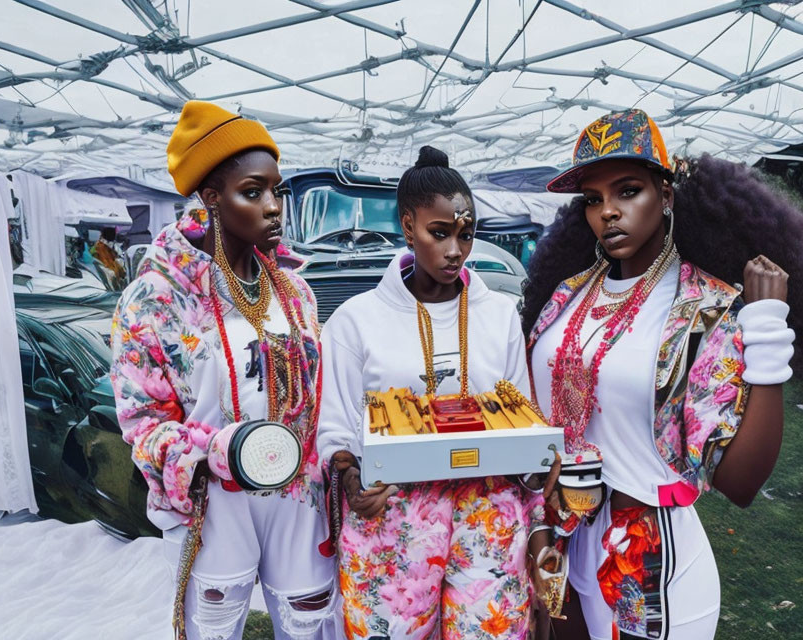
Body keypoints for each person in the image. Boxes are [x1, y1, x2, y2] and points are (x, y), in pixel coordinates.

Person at [523, 108, 800, 639]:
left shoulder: (706, 309)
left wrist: (766, 332)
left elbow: (740, 483)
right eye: (593, 199)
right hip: (564, 540)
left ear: (666, 196)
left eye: (628, 191)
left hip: (651, 562)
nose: (608, 212)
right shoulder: (567, 294)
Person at [110, 101, 334, 640]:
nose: (274, 207)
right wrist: (217, 452)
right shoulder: (155, 299)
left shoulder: (296, 291)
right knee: (214, 628)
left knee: (310, 623)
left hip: (297, 496)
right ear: (210, 198)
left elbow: (317, 393)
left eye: (277, 191)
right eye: (253, 192)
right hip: (212, 502)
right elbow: (141, 423)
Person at [317, 146, 549, 639]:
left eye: (466, 235)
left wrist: (537, 467)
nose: (455, 250)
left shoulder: (501, 315)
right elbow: (334, 427)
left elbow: (522, 416)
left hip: (488, 517)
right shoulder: (354, 321)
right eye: (438, 233)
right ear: (407, 225)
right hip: (392, 519)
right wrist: (352, 481)